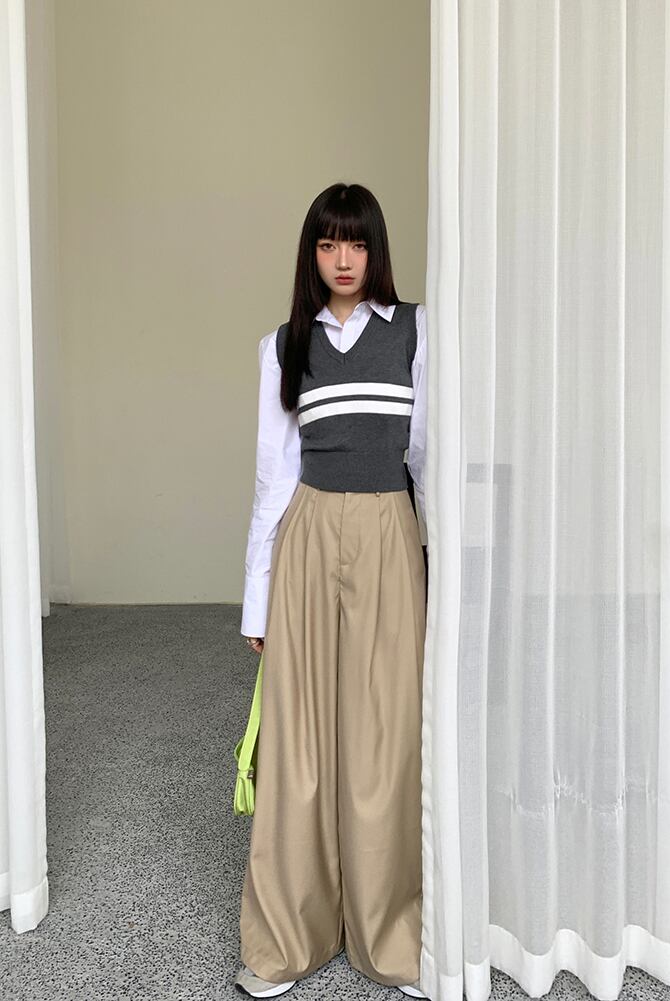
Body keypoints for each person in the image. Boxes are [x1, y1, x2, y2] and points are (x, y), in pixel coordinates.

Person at [235, 182, 429, 1000]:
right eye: (327, 243)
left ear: (375, 248)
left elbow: (428, 457)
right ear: (311, 253)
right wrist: (257, 598)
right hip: (309, 536)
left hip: (389, 532)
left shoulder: (419, 331)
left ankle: (393, 936)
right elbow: (272, 477)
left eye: (355, 242)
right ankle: (289, 936)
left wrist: (445, 570)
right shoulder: (283, 345)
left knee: (387, 736)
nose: (343, 259)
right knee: (301, 738)